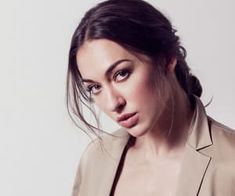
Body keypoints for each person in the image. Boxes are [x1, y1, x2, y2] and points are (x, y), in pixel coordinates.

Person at [66, 0, 235, 195]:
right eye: (95, 87)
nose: (113, 103)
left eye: (122, 74)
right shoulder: (96, 160)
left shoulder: (230, 165)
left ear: (167, 57)